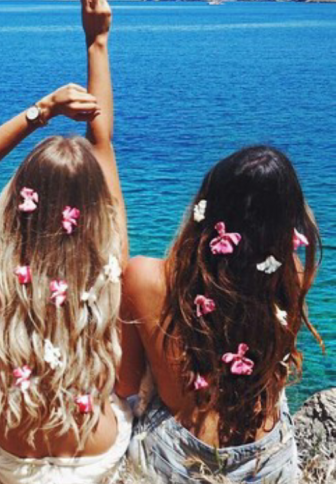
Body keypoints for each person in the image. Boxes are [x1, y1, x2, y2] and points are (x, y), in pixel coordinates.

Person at [0, 0, 132, 483]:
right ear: (95, 210)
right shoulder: (111, 262)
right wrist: (97, 42)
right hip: (93, 457)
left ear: (21, 201)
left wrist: (44, 110)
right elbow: (101, 142)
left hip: (10, 458)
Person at [116, 146, 323, 483]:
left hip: (179, 462)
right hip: (266, 461)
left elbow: (124, 384)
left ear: (207, 210)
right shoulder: (290, 278)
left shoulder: (145, 278)